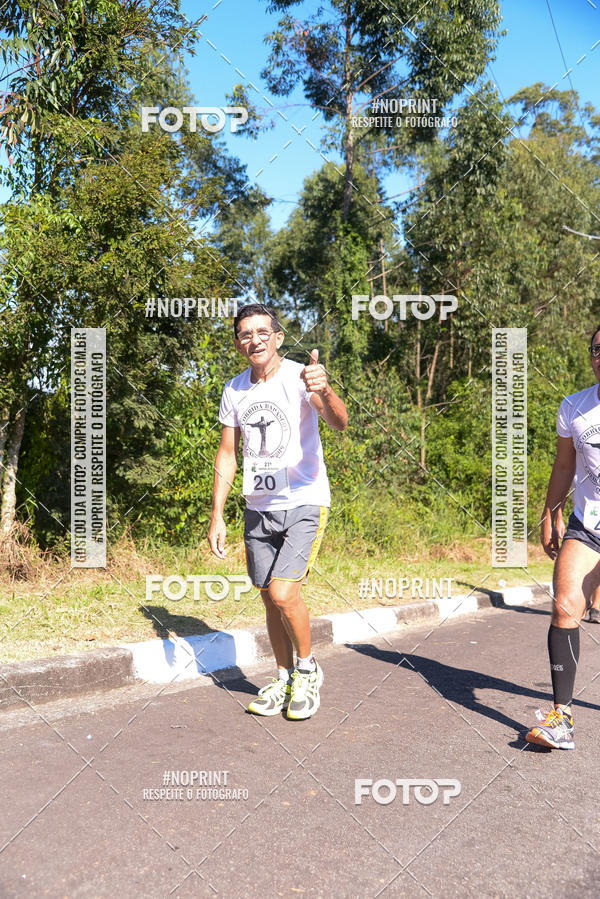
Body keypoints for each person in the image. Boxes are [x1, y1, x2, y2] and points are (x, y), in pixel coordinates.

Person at [208, 304, 348, 719]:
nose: (254, 340)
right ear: (238, 343)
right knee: (269, 598)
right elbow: (228, 453)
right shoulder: (234, 389)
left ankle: (308, 670)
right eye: (245, 334)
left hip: (304, 500)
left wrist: (324, 390)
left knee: (286, 594)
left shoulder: (300, 376)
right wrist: (218, 514)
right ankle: (284, 675)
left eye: (262, 332)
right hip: (258, 507)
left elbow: (339, 422)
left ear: (278, 338)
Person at [527, 324, 600, 749]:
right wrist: (550, 510)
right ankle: (563, 718)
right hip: (588, 527)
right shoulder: (574, 407)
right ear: (591, 356)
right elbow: (563, 467)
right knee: (566, 602)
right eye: (597, 348)